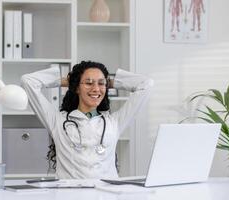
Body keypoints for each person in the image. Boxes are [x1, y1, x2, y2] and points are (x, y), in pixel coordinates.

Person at [21, 61, 153, 179]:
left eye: (101, 83)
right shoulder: (57, 121)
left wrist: (110, 83)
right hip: (70, 195)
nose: (96, 88)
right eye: (89, 83)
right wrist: (68, 81)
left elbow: (146, 84)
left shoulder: (114, 122)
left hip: (107, 195)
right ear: (77, 88)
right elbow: (28, 81)